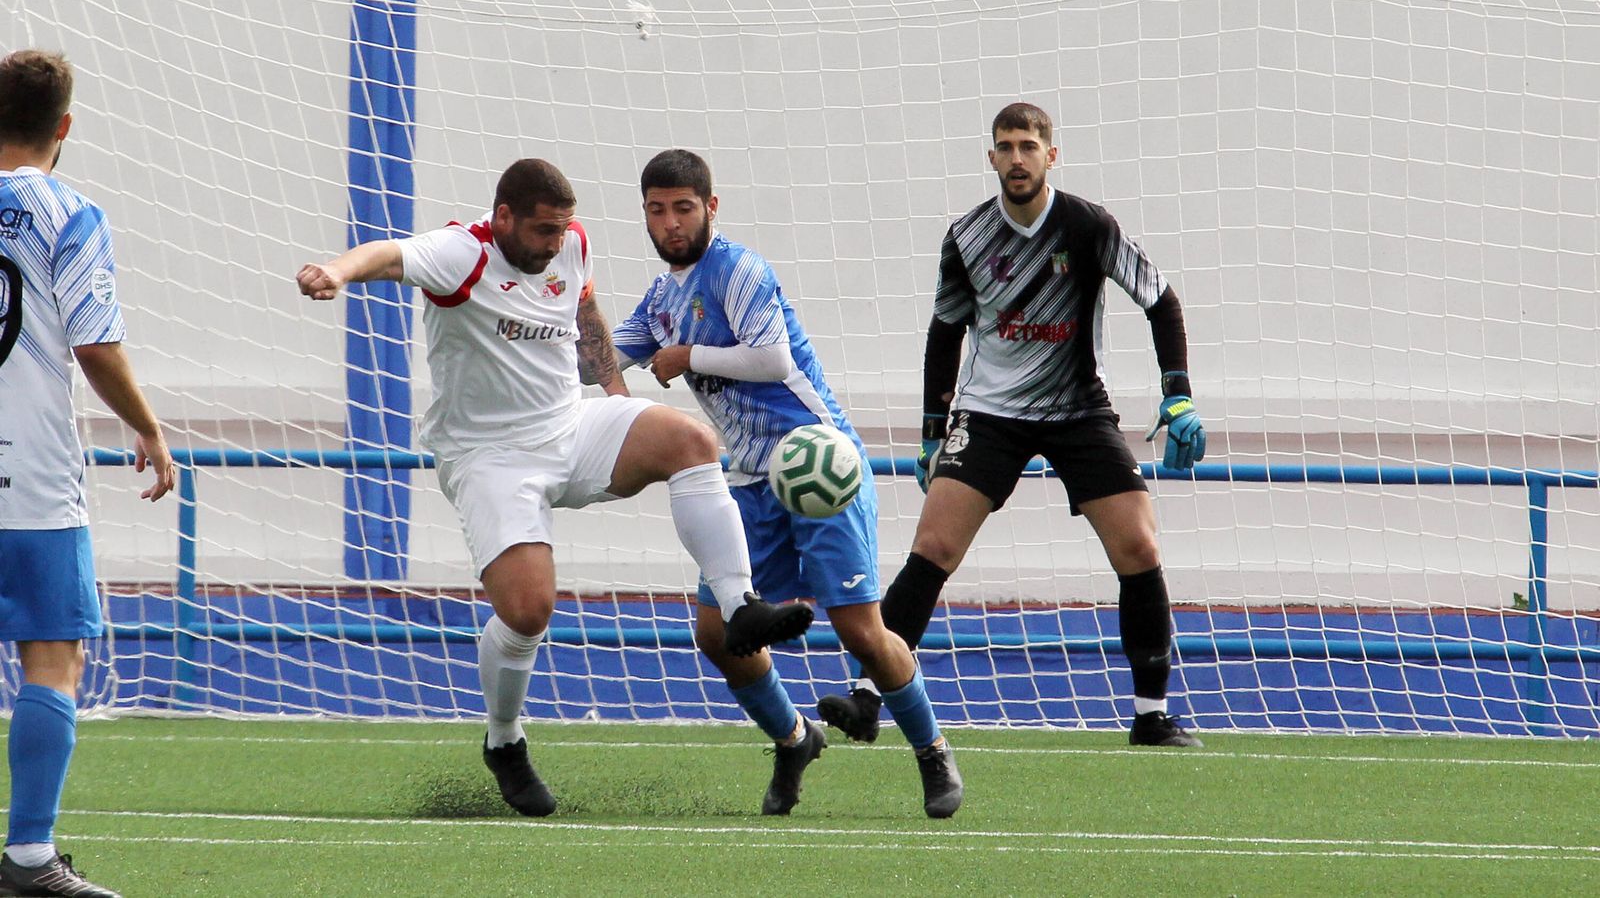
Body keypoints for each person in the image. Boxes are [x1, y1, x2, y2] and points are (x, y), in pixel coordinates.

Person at [295, 158, 813, 817]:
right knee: (528, 611)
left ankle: (741, 606)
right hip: (490, 457)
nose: (552, 244)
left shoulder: (571, 242)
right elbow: (387, 255)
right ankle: (504, 741)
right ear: (504, 218)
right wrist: (336, 272)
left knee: (688, 440)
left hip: (569, 426)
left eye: (560, 230)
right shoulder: (463, 252)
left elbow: (587, 309)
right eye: (541, 231)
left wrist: (620, 400)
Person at [818, 102, 1206, 749]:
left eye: (1029, 145)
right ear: (991, 157)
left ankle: (1151, 715)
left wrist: (1178, 399)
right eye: (1006, 146)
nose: (1018, 157)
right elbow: (944, 332)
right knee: (933, 548)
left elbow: (1161, 301)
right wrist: (930, 431)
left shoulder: (1088, 226)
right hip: (989, 413)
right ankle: (865, 697)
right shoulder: (967, 236)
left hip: (1079, 409)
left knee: (1139, 547)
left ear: (1052, 156)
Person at [611, 150, 963, 818]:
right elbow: (601, 354)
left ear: (711, 207)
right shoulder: (661, 300)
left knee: (861, 632)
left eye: (684, 207)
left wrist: (687, 357)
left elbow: (771, 358)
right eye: (657, 210)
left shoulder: (737, 268)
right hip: (745, 484)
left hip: (819, 466)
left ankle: (931, 749)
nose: (671, 222)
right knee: (718, 636)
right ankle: (794, 738)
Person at [0, 49, 176, 898]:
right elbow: (95, 343)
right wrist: (147, 427)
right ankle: (29, 859)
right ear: (63, 126)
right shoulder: (69, 211)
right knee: (51, 656)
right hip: (28, 468)